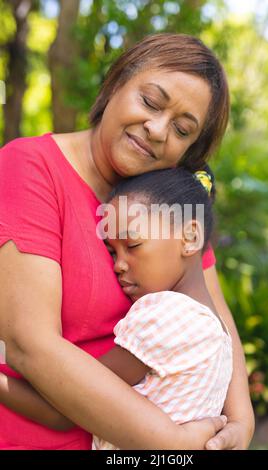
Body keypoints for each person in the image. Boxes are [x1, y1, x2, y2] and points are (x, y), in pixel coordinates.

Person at [0, 33, 254, 450]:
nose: (156, 130)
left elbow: (217, 322)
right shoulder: (31, 168)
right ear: (116, 84)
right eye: (150, 102)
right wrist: (169, 443)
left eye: (182, 129)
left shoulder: (171, 209)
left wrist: (240, 426)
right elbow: (30, 345)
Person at [0, 167, 233, 450]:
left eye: (133, 244)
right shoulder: (218, 331)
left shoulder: (164, 317)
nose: (118, 265)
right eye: (112, 251)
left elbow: (61, 408)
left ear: (190, 237)